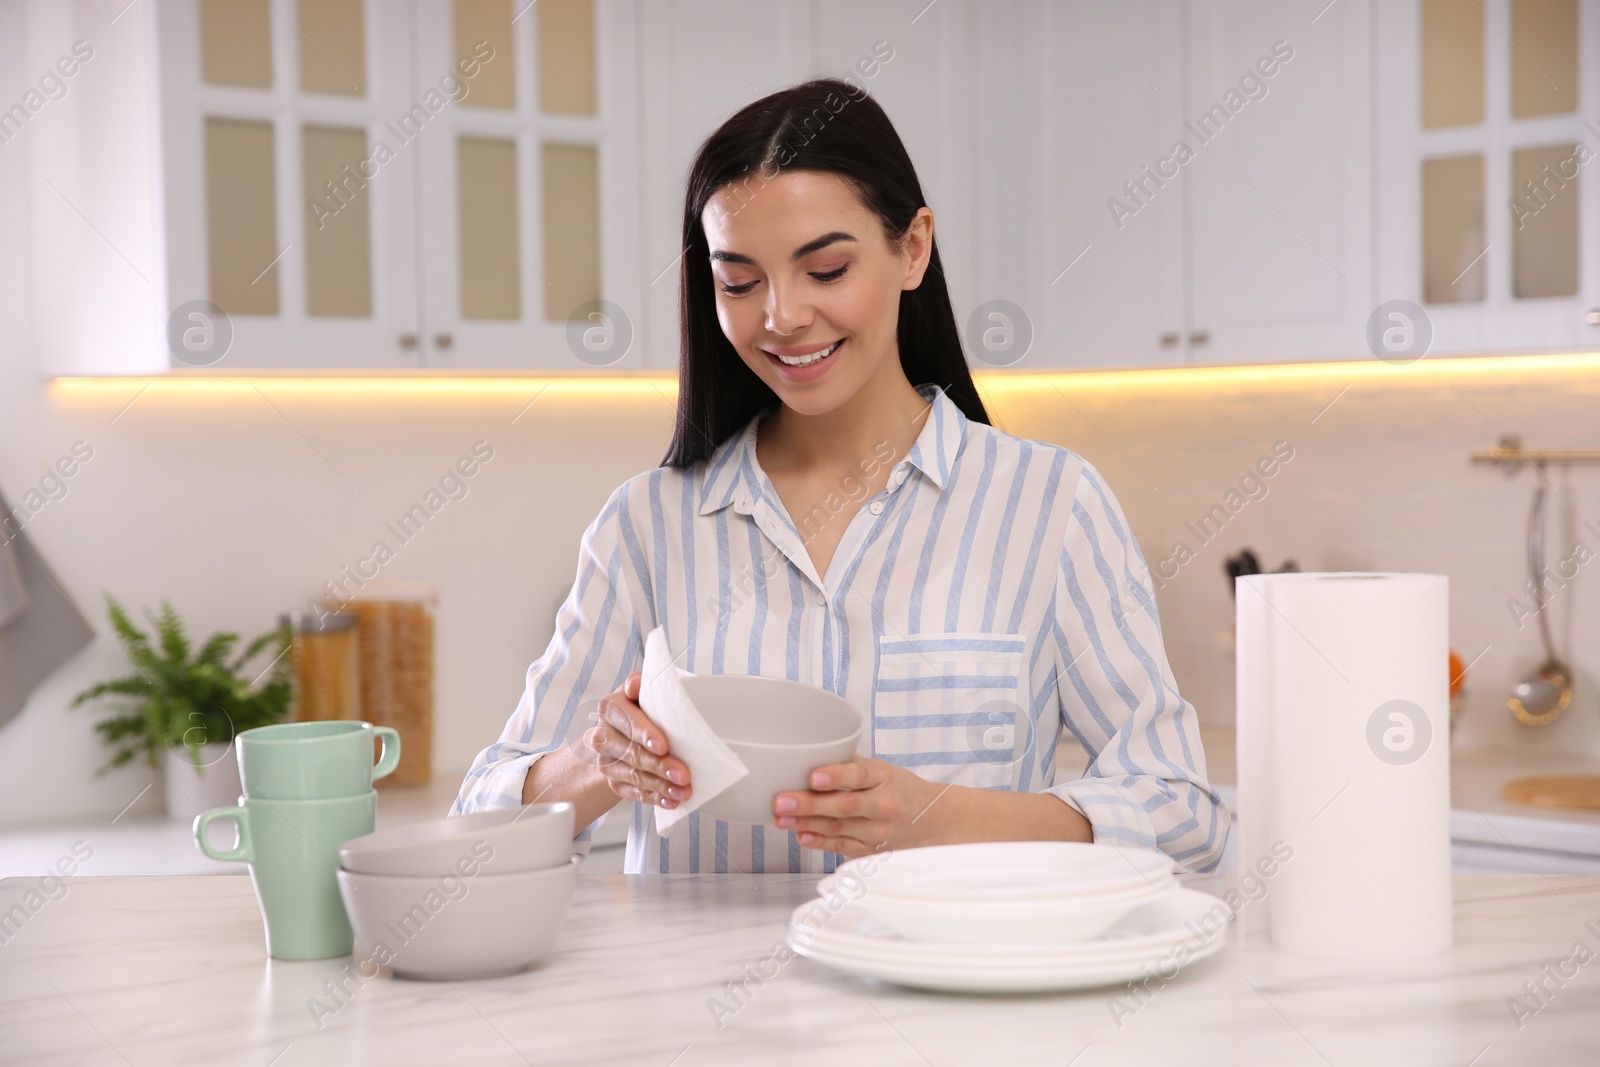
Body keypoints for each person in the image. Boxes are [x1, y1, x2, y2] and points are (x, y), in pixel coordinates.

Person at [454, 77, 1228, 875]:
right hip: (694, 1002)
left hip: (956, 993)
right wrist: (597, 763)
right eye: (740, 282)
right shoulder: (646, 527)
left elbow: (1185, 813)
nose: (781, 316)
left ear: (913, 247)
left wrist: (940, 817)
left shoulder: (1050, 506)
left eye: (825, 269)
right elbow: (476, 825)